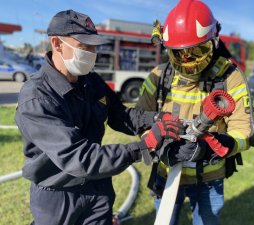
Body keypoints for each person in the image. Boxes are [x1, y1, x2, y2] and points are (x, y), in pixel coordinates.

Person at [15, 10, 186, 225]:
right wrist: (145, 145)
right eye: (85, 46)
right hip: (58, 194)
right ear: (57, 44)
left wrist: (157, 118)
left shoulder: (91, 82)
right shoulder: (37, 97)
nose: (92, 52)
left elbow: (122, 116)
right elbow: (79, 157)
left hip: (97, 187)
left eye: (95, 46)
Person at [136, 0, 254, 224]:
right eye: (180, 54)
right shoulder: (159, 76)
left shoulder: (230, 77)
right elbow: (139, 120)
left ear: (214, 41)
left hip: (208, 179)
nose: (188, 63)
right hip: (166, 174)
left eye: (197, 52)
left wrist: (210, 147)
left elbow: (243, 131)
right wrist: (160, 145)